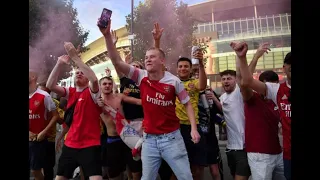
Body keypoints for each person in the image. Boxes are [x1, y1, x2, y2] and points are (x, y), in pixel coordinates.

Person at [98, 19, 200, 180]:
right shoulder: (141, 76)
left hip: (172, 139)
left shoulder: (174, 81)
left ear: (162, 61)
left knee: (186, 177)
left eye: (152, 57)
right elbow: (117, 61)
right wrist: (106, 37)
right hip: (149, 140)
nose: (147, 59)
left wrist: (194, 128)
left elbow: (187, 104)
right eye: (146, 57)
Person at [46, 42, 103, 180]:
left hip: (90, 145)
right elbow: (50, 85)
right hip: (70, 144)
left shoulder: (93, 93)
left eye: (82, 73)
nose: (79, 74)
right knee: (59, 177)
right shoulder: (70, 92)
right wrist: (59, 63)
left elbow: (94, 80)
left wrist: (75, 57)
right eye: (77, 72)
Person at [237, 42, 292, 180]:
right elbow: (245, 82)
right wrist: (253, 57)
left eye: (272, 83)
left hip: (279, 153)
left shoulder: (277, 100)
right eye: (265, 83)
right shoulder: (252, 97)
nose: (268, 86)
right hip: (260, 155)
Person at [98, 76, 142, 180]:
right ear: (100, 86)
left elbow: (138, 101)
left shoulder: (119, 97)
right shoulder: (97, 103)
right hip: (112, 140)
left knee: (136, 170)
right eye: (104, 84)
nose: (107, 85)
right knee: (115, 174)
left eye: (109, 83)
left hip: (128, 137)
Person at [174, 55, 207, 180]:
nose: (183, 68)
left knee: (197, 167)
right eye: (180, 66)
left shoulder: (194, 83)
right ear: (177, 69)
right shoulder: (173, 83)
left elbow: (203, 85)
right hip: (177, 129)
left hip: (194, 127)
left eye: (186, 66)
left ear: (190, 68)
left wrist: (201, 65)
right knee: (176, 166)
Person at [217, 68, 251, 180]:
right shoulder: (222, 98)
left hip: (243, 147)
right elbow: (223, 110)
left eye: (229, 78)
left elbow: (244, 75)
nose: (226, 81)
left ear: (235, 80)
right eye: (223, 79)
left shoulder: (238, 93)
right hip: (230, 148)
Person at [29, 69, 59, 180]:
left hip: (37, 141)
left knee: (36, 170)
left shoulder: (44, 96)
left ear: (33, 77)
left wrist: (43, 132)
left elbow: (55, 116)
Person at [38, 84, 64, 180]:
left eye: (47, 88)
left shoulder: (55, 103)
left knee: (48, 166)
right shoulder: (31, 100)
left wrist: (54, 113)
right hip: (34, 138)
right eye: (42, 87)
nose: (45, 90)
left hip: (50, 138)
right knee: (36, 166)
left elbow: (61, 120)